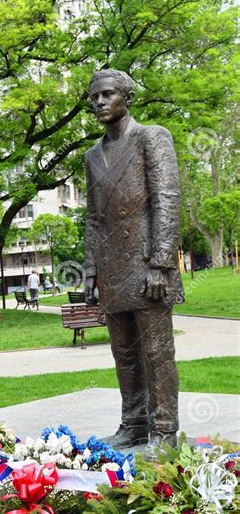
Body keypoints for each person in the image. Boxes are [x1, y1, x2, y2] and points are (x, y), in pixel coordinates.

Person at [84, 69, 184, 449]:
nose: (99, 102)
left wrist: (161, 263)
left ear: (127, 97)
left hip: (147, 266)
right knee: (124, 354)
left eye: (107, 94)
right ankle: (134, 423)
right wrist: (91, 269)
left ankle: (164, 430)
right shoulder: (92, 156)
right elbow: (93, 218)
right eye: (94, 97)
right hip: (112, 269)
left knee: (157, 353)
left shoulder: (151, 138)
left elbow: (167, 199)